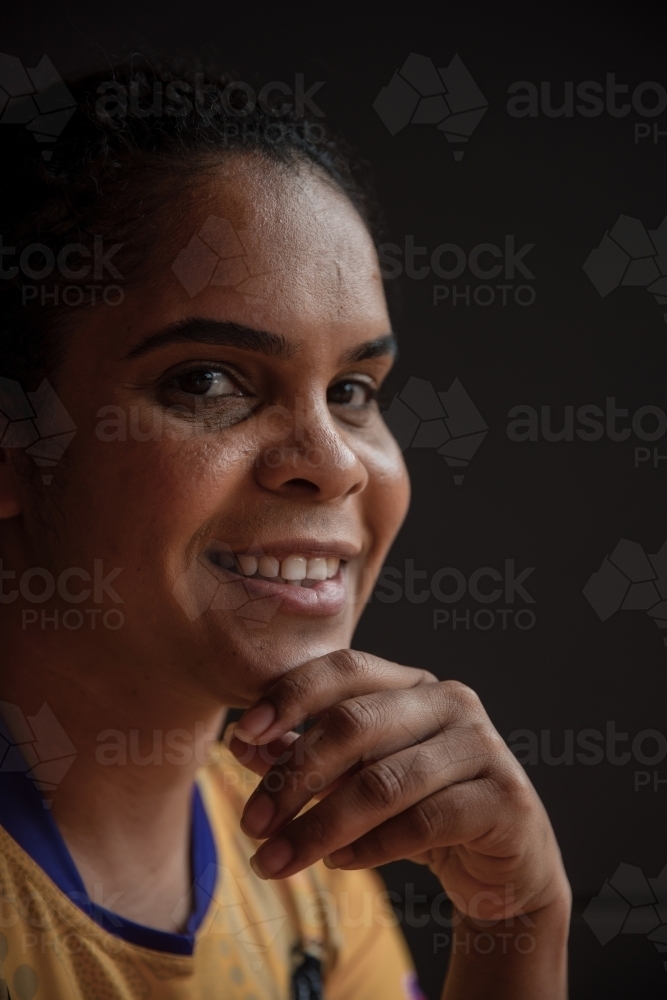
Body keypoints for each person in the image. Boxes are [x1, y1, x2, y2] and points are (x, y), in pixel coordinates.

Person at [0, 61, 570, 999]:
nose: (335, 461)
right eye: (209, 380)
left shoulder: (292, 850)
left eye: (352, 392)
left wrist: (515, 921)